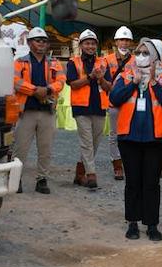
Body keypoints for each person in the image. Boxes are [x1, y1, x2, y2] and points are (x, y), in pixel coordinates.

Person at [109, 38, 162, 242]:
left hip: (155, 139)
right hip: (129, 138)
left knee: (151, 183)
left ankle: (152, 224)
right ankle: (132, 222)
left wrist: (154, 83)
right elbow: (114, 98)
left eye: (145, 52)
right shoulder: (126, 74)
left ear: (156, 55)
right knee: (132, 183)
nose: (140, 56)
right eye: (138, 52)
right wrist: (133, 82)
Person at [12, 27, 67, 194]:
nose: (41, 43)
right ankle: (16, 179)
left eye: (44, 40)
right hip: (26, 111)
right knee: (20, 148)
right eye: (38, 40)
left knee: (46, 149)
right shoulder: (19, 61)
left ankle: (42, 180)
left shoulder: (54, 62)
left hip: (47, 111)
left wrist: (48, 90)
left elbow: (61, 81)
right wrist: (35, 90)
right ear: (29, 43)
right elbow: (15, 81)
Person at [67, 29, 112, 189]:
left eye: (93, 43)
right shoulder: (73, 62)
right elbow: (72, 84)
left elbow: (109, 87)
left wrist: (100, 78)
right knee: (86, 142)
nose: (90, 46)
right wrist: (90, 77)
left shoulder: (103, 62)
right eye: (87, 43)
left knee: (94, 142)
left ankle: (79, 174)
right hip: (81, 107)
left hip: (99, 107)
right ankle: (91, 174)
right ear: (81, 45)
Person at [101, 26, 135, 181]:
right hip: (114, 102)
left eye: (127, 40)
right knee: (114, 135)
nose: (124, 43)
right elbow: (102, 81)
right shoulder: (107, 60)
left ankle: (129, 163)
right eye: (122, 39)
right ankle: (117, 165)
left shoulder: (135, 60)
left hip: (130, 102)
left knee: (129, 134)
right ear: (116, 42)